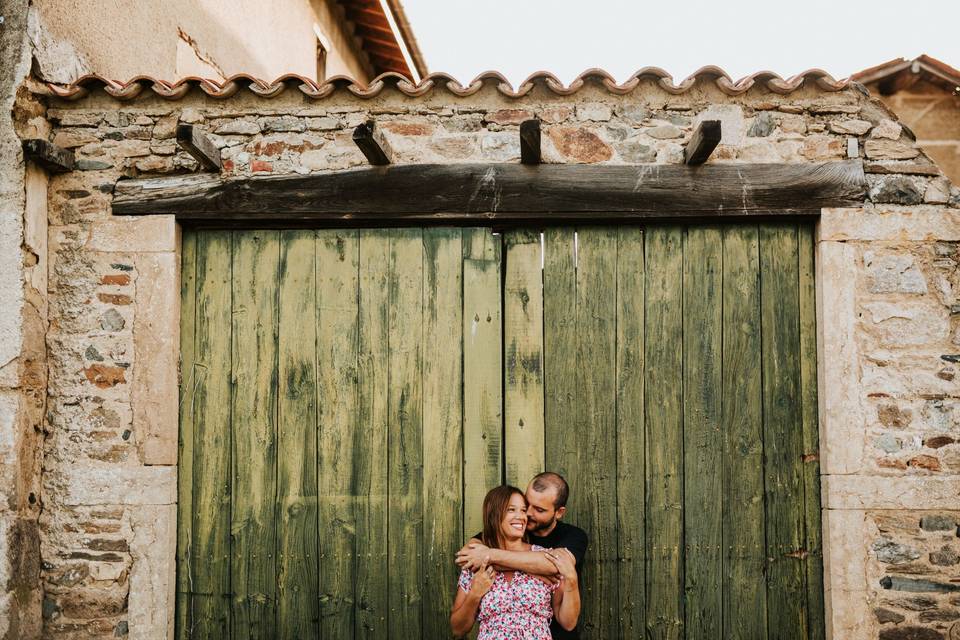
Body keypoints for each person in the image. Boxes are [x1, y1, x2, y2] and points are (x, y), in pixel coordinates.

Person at [456, 472, 588, 640]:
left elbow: (554, 565)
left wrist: (489, 555)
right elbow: (471, 553)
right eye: (527, 505)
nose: (528, 514)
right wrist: (534, 569)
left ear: (559, 512)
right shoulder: (515, 527)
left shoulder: (573, 536)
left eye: (539, 509)